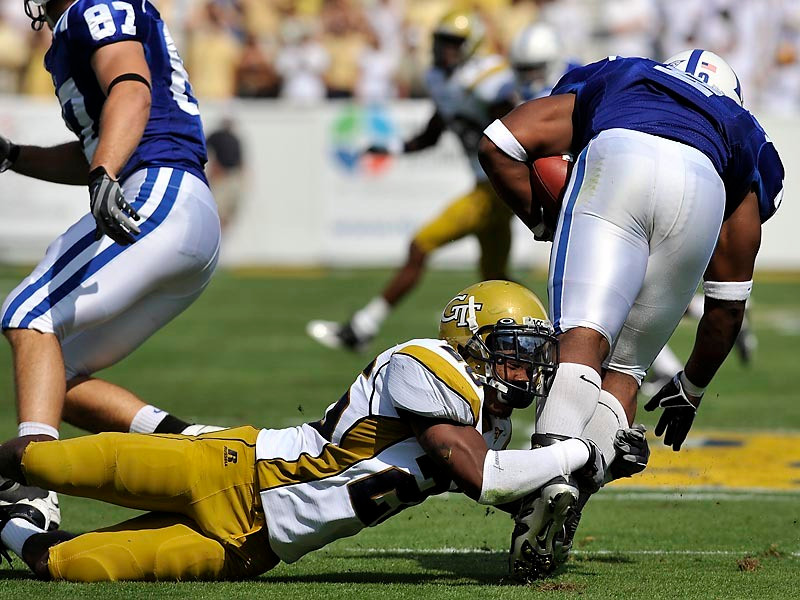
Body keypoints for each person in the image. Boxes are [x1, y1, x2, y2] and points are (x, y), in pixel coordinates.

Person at [0, 281, 646, 582]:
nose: (525, 369)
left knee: (63, 565)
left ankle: (4, 527)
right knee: (43, 462)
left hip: (258, 549)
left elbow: (520, 493)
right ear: (470, 342)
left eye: (530, 355)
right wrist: (576, 449)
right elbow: (484, 480)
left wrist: (600, 465)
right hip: (231, 469)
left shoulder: (493, 424)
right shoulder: (424, 364)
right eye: (512, 350)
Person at [478, 49, 783, 579]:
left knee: (581, 340)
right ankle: (588, 468)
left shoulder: (628, 73)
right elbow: (728, 306)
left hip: (620, 157)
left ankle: (546, 483)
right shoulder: (742, 129)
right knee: (625, 371)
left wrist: (543, 218)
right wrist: (691, 386)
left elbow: (500, 142)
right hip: (704, 189)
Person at [0, 0, 222, 524]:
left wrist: (106, 174)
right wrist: (14, 155)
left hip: (161, 186)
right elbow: (98, 144)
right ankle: (197, 447)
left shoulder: (93, 6)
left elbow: (130, 86)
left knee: (26, 312)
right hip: (181, 209)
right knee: (58, 376)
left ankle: (35, 487)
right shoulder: (81, 22)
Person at [307, 10, 517, 352]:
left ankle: (363, 326)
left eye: (454, 43)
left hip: (496, 188)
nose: (445, 49)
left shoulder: (486, 79)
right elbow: (433, 133)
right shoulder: (441, 80)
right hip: (488, 187)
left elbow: (517, 119)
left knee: (422, 244)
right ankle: (560, 332)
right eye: (442, 41)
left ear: (471, 46)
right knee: (497, 278)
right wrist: (392, 147)